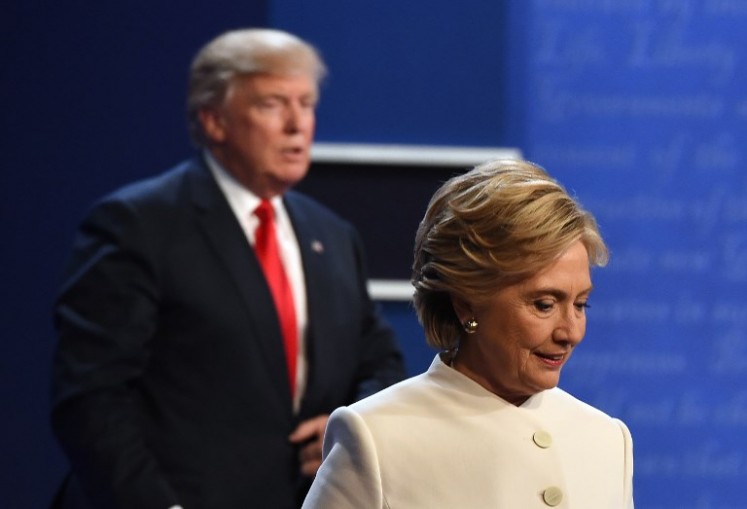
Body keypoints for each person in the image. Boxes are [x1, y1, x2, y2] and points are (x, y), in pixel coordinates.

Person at [50, 28, 405, 509]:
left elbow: (380, 362)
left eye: (306, 103)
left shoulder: (332, 234)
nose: (297, 124)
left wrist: (346, 426)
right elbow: (92, 399)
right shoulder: (137, 224)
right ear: (214, 121)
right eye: (273, 104)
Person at [303, 159, 634, 508]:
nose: (571, 332)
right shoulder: (375, 439)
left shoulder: (607, 441)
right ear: (466, 304)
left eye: (581, 305)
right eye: (544, 304)